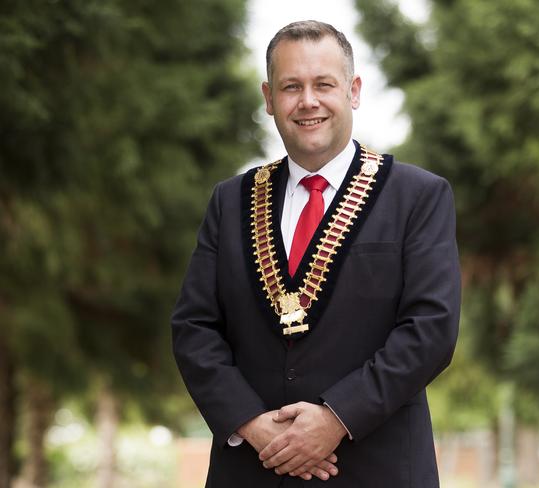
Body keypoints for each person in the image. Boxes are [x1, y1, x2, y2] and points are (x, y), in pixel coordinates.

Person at [171, 20, 461, 487]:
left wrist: (335, 418)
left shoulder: (418, 196)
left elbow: (431, 330)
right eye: (291, 87)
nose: (308, 101)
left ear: (354, 90)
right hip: (252, 468)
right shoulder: (230, 202)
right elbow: (194, 328)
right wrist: (252, 424)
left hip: (376, 470)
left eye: (324, 84)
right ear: (269, 98)